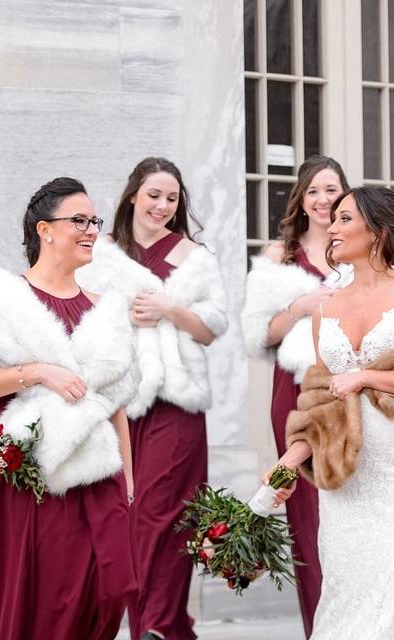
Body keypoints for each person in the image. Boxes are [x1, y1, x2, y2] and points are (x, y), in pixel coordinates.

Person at [271, 187, 394, 639]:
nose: (332, 228)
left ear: (377, 230)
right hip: (348, 477)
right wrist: (287, 462)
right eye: (333, 220)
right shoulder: (326, 310)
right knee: (347, 594)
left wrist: (366, 378)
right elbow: (321, 407)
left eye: (344, 219)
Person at [0, 177, 137, 640]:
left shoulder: (103, 308)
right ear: (45, 230)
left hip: (97, 473)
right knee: (40, 597)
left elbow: (114, 406)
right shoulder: (5, 297)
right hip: (30, 473)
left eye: (94, 220)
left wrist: (129, 483)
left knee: (107, 592)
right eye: (79, 220)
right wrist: (38, 371)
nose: (91, 229)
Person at [76, 158, 228, 640]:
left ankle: (158, 626)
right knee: (119, 516)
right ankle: (160, 627)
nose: (162, 206)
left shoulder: (195, 257)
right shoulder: (99, 255)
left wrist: (170, 309)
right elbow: (77, 318)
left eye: (172, 198)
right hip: (114, 403)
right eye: (154, 195)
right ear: (132, 196)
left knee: (160, 516)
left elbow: (210, 329)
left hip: (173, 406)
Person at [240, 155, 350, 636]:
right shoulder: (275, 258)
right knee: (306, 514)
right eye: (313, 191)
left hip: (352, 390)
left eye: (331, 190)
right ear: (301, 200)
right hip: (295, 392)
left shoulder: (364, 248)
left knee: (350, 513)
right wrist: (299, 306)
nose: (323, 200)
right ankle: (319, 629)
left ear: (346, 195)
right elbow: (258, 335)